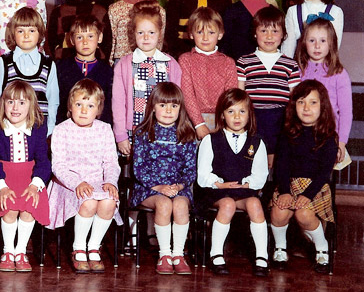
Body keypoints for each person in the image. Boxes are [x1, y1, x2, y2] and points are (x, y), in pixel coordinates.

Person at [47, 79, 121, 273]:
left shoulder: (104, 129)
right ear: (70, 106)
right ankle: (78, 247)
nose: (83, 110)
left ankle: (94, 247)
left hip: (98, 180)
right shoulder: (61, 130)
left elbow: (111, 163)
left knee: (109, 202)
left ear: (98, 109)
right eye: (78, 104)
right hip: (69, 183)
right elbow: (58, 166)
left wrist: (110, 181)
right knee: (88, 202)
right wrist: (77, 182)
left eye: (90, 106)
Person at [196, 88, 269, 277]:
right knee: (227, 204)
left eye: (242, 111)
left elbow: (260, 174)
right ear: (222, 115)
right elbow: (203, 174)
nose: (237, 116)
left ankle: (262, 256)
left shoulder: (256, 142)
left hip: (244, 191)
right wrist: (219, 184)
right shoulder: (210, 140)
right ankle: (216, 254)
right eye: (231, 111)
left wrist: (247, 184)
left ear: (249, 114)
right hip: (217, 192)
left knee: (255, 203)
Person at [0, 81, 51, 272]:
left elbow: (44, 163)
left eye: (21, 103)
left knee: (29, 207)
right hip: (4, 179)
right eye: (10, 102)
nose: (15, 107)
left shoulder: (38, 129)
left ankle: (20, 251)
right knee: (10, 207)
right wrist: (2, 187)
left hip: (30, 180)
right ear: (3, 104)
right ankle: (8, 251)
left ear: (31, 106)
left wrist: (35, 185)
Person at [270, 80, 338, 274]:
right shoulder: (287, 133)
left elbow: (324, 173)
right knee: (279, 212)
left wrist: (307, 195)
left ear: (322, 106)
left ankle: (322, 248)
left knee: (303, 213)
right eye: (301, 102)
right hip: (289, 184)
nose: (306, 108)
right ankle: (280, 249)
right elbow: (281, 166)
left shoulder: (328, 136)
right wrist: (284, 191)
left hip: (315, 187)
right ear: (294, 106)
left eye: (313, 103)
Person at [132, 82, 197, 275]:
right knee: (164, 204)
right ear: (152, 107)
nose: (168, 110)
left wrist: (179, 185)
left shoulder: (186, 134)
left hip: (177, 188)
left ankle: (178, 254)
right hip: (149, 188)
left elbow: (190, 169)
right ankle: (164, 255)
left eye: (174, 106)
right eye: (162, 105)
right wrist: (158, 187)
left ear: (180, 109)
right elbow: (138, 168)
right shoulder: (143, 133)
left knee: (180, 205)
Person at [112, 1, 181, 156]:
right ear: (133, 33)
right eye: (140, 33)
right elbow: (118, 102)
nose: (146, 38)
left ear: (160, 33)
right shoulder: (124, 64)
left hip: (165, 130)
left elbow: (178, 101)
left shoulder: (171, 64)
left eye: (151, 33)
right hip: (134, 131)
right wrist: (121, 135)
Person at [237, 6, 300, 167]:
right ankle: (252, 190)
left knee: (277, 160)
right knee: (251, 158)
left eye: (275, 31)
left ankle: (274, 189)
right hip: (253, 117)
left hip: (280, 118)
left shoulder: (290, 64)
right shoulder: (244, 62)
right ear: (254, 33)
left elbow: (295, 97)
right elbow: (239, 94)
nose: (269, 36)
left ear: (283, 35)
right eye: (264, 31)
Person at [0, 7, 59, 136]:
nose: (26, 36)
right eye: (21, 31)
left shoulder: (48, 64)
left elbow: (53, 100)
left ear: (40, 33)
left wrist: (49, 129)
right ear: (13, 34)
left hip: (39, 130)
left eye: (32, 30)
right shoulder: (5, 62)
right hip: (10, 129)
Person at [295, 18, 352, 163]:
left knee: (322, 178)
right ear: (304, 43)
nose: (317, 46)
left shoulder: (339, 73)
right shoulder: (297, 71)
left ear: (331, 43)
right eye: (312, 40)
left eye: (322, 41)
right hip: (301, 134)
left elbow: (346, 112)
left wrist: (341, 142)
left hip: (328, 136)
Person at [179, 7, 238, 140]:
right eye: (199, 32)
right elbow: (187, 94)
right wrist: (199, 124)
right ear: (191, 34)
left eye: (211, 32)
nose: (205, 38)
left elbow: (231, 97)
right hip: (192, 120)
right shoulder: (185, 59)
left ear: (220, 34)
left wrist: (225, 122)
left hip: (222, 120)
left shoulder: (228, 62)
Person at [55, 14, 113, 125]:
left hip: (97, 130)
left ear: (99, 37)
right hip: (67, 129)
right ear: (71, 40)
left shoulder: (107, 71)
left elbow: (108, 107)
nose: (85, 42)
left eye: (90, 36)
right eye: (79, 37)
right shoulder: (61, 67)